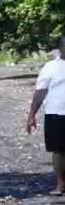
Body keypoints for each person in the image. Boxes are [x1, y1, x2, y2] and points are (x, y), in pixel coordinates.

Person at [27, 37, 65, 195]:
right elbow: (40, 91)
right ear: (60, 49)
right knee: (59, 151)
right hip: (56, 114)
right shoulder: (50, 67)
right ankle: (60, 185)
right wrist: (32, 115)